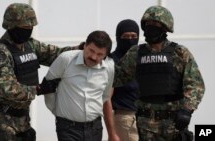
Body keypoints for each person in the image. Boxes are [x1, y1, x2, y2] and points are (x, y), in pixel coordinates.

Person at [0, 3, 79, 141]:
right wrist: (38, 89)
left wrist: (80, 49)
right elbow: (8, 89)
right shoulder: (0, 52)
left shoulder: (30, 45)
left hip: (23, 119)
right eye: (24, 28)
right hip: (2, 120)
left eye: (30, 28)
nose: (28, 31)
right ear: (11, 26)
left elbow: (56, 55)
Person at [113, 5, 205, 141]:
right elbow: (117, 77)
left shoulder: (179, 53)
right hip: (145, 124)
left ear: (165, 27)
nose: (151, 27)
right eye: (148, 24)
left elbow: (195, 85)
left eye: (155, 24)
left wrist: (187, 109)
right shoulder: (135, 53)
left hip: (173, 123)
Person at [41, 30, 116, 141]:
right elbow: (47, 87)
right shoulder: (65, 59)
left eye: (100, 54)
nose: (94, 57)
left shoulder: (109, 67)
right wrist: (56, 110)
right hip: (68, 129)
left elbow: (105, 96)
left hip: (95, 128)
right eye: (91, 50)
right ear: (84, 46)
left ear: (105, 55)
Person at [104, 19, 140, 141]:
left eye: (134, 36)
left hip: (146, 119)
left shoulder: (143, 58)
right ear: (118, 37)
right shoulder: (111, 61)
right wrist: (112, 132)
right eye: (126, 36)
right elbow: (107, 98)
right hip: (125, 119)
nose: (130, 39)